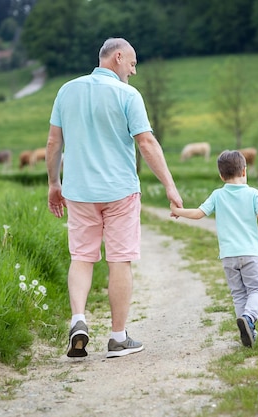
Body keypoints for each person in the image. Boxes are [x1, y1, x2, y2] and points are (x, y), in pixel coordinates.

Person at [46, 38, 183, 358]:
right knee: (119, 260)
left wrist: (55, 183)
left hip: (78, 192)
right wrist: (170, 186)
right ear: (118, 57)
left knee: (81, 258)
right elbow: (146, 143)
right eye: (132, 64)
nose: (133, 72)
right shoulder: (127, 95)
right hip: (120, 192)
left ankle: (78, 320)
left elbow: (54, 143)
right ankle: (118, 337)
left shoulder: (67, 90)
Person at [170, 150, 258, 348]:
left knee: (238, 293)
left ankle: (247, 331)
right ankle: (249, 318)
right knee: (256, 290)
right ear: (244, 171)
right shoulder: (253, 193)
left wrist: (177, 211)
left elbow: (197, 214)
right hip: (250, 253)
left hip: (228, 256)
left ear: (221, 175)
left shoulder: (217, 195)